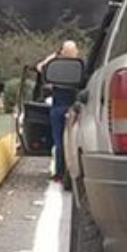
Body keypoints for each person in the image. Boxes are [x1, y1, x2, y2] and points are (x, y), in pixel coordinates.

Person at [36, 40, 79, 183]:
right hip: (73, 108)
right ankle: (72, 170)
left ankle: (60, 174)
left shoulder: (56, 68)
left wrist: (54, 56)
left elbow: (40, 67)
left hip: (58, 108)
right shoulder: (78, 68)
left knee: (59, 141)